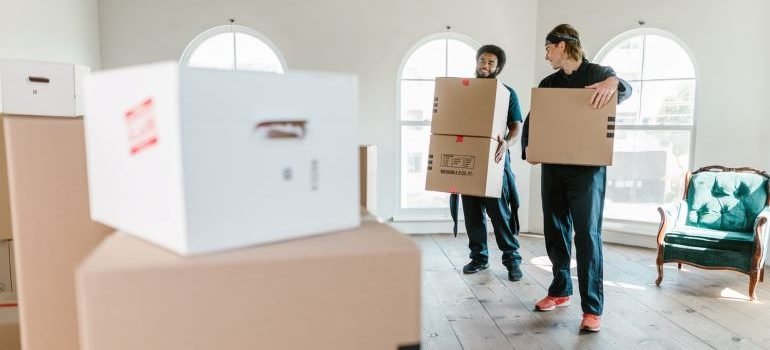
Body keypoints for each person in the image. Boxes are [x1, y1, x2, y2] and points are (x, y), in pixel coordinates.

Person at [521, 24, 632, 332]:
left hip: (588, 172)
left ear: (562, 46)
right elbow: (534, 119)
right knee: (554, 231)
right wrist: (528, 148)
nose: (546, 56)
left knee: (587, 235)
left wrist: (613, 81)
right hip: (554, 168)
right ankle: (559, 291)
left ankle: (592, 308)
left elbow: (626, 88)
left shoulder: (598, 73)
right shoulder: (549, 82)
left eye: (548, 49)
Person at [449, 44, 524, 282]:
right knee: (472, 213)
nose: (486, 65)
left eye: (491, 62)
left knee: (499, 212)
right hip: (468, 157)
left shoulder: (506, 93)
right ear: (477, 61)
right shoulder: (464, 90)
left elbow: (516, 127)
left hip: (494, 158)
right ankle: (479, 258)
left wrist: (507, 143)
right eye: (483, 60)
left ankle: (512, 260)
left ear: (498, 67)